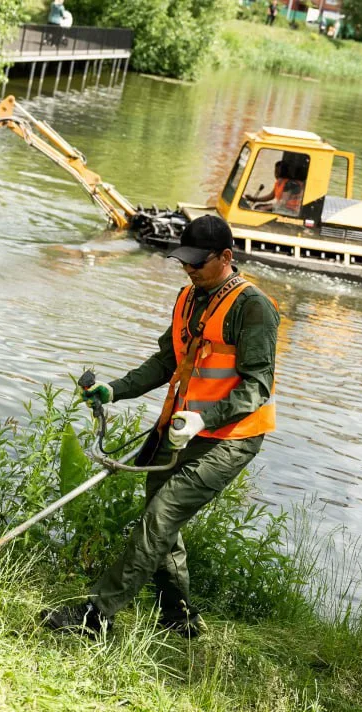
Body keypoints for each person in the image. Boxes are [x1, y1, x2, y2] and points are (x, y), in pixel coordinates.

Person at [41, 215, 280, 639]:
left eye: (197, 262)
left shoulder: (253, 307)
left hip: (231, 437)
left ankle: (97, 616)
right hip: (179, 430)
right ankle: (180, 620)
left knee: (159, 517)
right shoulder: (188, 298)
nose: (188, 269)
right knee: (163, 528)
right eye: (183, 261)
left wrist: (206, 418)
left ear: (226, 257)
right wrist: (114, 390)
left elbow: (257, 387)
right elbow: (166, 361)